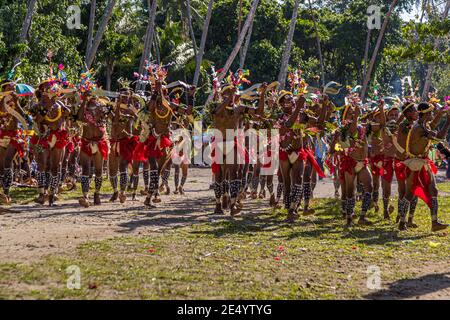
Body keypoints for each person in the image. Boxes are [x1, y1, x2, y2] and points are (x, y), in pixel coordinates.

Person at [401, 102, 450, 231]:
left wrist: (440, 114)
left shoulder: (423, 124)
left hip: (422, 162)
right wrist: (448, 121)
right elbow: (438, 137)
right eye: (431, 113)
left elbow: (432, 125)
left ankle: (434, 222)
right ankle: (402, 221)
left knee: (433, 190)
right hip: (415, 163)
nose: (432, 114)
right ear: (426, 113)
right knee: (409, 194)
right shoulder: (419, 128)